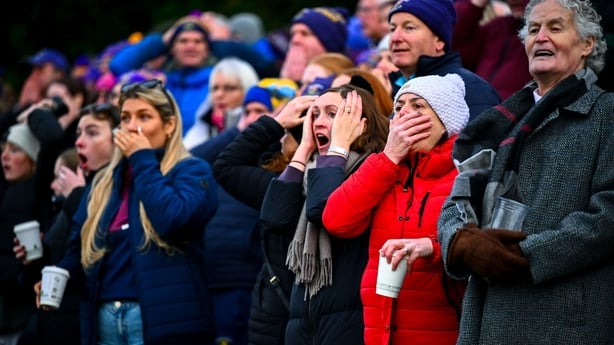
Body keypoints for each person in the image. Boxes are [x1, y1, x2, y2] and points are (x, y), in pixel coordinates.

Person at [436, 1, 614, 344]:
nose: (541, 37)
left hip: (564, 321)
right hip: (484, 319)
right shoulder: (496, 121)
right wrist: (460, 242)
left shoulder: (607, 114)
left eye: (555, 28)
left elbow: (608, 213)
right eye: (533, 29)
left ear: (587, 44)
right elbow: (456, 200)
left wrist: (524, 256)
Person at [36, 79, 218, 345]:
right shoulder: (104, 182)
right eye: (125, 117)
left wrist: (143, 159)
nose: (132, 126)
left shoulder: (192, 171)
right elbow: (79, 251)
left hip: (162, 321)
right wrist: (56, 277)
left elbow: (172, 221)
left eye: (144, 116)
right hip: (104, 318)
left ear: (169, 125)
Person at [322, 74, 469, 344]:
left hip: (442, 330)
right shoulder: (386, 168)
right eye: (399, 107)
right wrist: (389, 157)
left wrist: (431, 247)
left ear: (445, 121)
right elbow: (336, 220)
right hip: (380, 332)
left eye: (418, 107)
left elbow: (474, 243)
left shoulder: (463, 173)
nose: (404, 115)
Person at [259, 80, 390, 344]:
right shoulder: (312, 171)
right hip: (303, 321)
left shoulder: (372, 169)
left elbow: (324, 209)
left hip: (349, 320)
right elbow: (274, 218)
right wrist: (305, 147)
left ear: (361, 124)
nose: (318, 121)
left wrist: (339, 145)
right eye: (314, 114)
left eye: (333, 114)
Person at [212, 94, 316, 345]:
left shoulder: (284, 188)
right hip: (280, 312)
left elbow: (227, 165)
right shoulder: (280, 182)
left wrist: (277, 122)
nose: (281, 141)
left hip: (283, 312)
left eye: (289, 134)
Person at [14, 103, 120, 345]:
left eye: (92, 133)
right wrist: (34, 261)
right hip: (56, 323)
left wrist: (75, 196)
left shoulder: (119, 189)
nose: (80, 142)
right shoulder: (76, 195)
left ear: (118, 139)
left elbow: (99, 249)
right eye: (79, 134)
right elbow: (65, 261)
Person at [189, 86, 273, 345]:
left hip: (245, 278)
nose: (251, 118)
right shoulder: (225, 159)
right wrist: (239, 133)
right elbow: (188, 160)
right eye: (247, 112)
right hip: (211, 275)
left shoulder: (277, 163)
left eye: (260, 112)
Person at [386, 0, 501, 120]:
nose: (395, 38)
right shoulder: (400, 89)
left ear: (439, 41)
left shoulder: (470, 90)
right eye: (392, 29)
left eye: (409, 28)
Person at [452, 0, 532, 100]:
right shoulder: (497, 27)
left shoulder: (539, 36)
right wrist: (475, 5)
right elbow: (455, 46)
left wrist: (532, 8)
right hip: (479, 108)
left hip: (514, 112)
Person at [184, 57, 260, 149]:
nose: (219, 95)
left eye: (229, 88)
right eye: (215, 88)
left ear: (248, 90)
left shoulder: (257, 128)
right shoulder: (204, 122)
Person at [280, 7, 350, 83]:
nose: (294, 40)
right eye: (293, 34)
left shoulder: (344, 82)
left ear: (327, 42)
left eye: (304, 33)